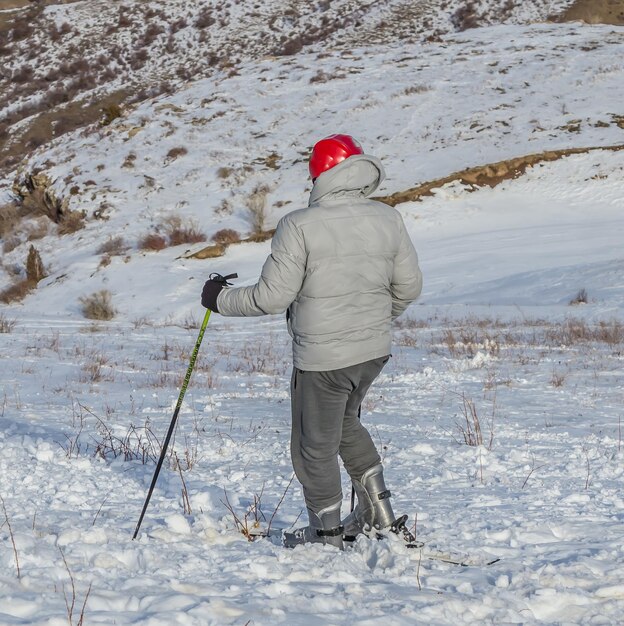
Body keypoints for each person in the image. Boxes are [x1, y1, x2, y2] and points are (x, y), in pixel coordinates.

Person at [201, 134, 423, 549]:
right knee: (344, 426)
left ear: (319, 173)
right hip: (373, 351)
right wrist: (372, 322)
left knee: (313, 446)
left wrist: (218, 299)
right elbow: (409, 288)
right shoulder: (387, 218)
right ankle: (379, 511)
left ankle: (326, 534)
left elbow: (271, 297)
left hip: (323, 357)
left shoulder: (299, 225)